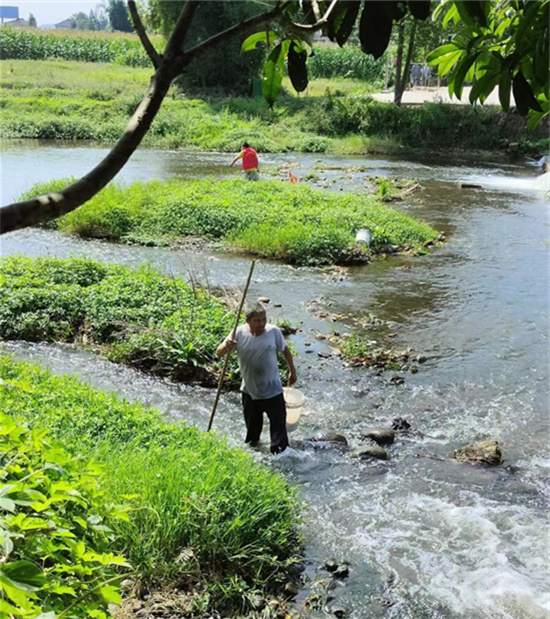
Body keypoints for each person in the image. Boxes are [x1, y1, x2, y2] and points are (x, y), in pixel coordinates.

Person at [216, 303, 297, 454]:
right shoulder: (238, 333)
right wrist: (226, 346)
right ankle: (254, 457)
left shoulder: (273, 332)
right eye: (257, 320)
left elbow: (285, 351)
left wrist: (292, 371)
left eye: (264, 319)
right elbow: (219, 353)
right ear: (247, 320)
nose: (262, 324)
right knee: (252, 436)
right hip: (250, 390)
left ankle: (280, 458)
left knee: (279, 435)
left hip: (273, 390)